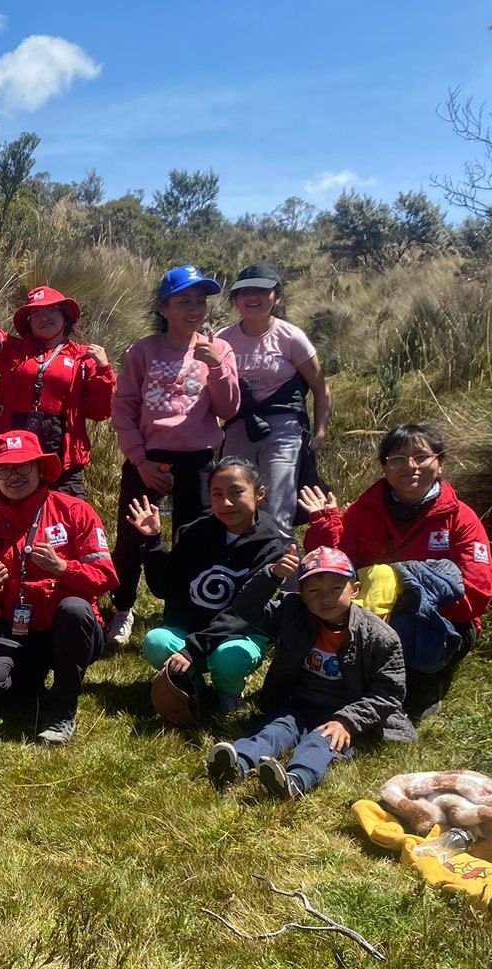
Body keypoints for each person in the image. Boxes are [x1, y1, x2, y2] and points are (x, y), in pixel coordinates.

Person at [301, 421, 492, 719]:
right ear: (385, 467)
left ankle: (425, 682)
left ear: (439, 464)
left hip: (442, 621)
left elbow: (476, 594)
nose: (410, 466)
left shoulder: (460, 519)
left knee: (394, 590)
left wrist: (412, 597)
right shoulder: (364, 512)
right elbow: (333, 567)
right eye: (398, 459)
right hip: (374, 617)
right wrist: (324, 524)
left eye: (421, 457)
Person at [208, 546, 414, 801]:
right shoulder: (293, 612)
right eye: (314, 591)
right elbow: (246, 609)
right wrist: (271, 576)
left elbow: (388, 692)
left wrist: (348, 721)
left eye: (336, 588)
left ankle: (295, 781)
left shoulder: (379, 636)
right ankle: (235, 763)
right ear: (302, 595)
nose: (325, 598)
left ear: (355, 590)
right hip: (299, 704)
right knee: (275, 730)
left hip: (344, 712)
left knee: (320, 742)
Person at [107, 265, 241, 647]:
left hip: (198, 461)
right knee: (132, 536)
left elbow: (229, 408)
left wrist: (216, 366)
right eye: (184, 301)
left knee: (194, 538)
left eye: (200, 301)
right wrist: (140, 460)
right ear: (164, 308)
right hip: (149, 458)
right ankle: (123, 607)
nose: (195, 308)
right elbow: (125, 408)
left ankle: (183, 611)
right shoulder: (144, 351)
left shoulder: (219, 348)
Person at [0, 431, 118, 745]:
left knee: (74, 609)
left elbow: (106, 575)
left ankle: (62, 709)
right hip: (18, 629)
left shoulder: (75, 512)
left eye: (23, 467)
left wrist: (63, 568)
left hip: (72, 629)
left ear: (39, 469)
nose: (14, 476)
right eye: (4, 469)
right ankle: (31, 682)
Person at [128, 457, 290, 717]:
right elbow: (163, 588)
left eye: (236, 492)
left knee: (230, 659)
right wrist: (152, 541)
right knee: (155, 641)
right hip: (192, 632)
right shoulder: (194, 532)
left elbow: (243, 611)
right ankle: (192, 683)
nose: (226, 503)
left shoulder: (272, 547)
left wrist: (191, 649)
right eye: (217, 494)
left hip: (239, 634)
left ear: (259, 494)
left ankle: (228, 690)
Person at [0, 273, 115, 499]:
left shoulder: (85, 357)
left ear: (65, 316)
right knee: (15, 512)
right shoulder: (15, 351)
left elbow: (100, 411)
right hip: (16, 445)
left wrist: (103, 370)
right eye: (36, 314)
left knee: (63, 517)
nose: (45, 317)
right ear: (29, 323)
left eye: (52, 311)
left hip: (62, 450)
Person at [217, 265, 334, 535]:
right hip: (238, 426)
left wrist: (320, 433)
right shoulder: (224, 338)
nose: (253, 298)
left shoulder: (291, 337)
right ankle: (236, 567)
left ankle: (281, 568)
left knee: (278, 505)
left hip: (284, 429)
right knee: (235, 500)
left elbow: (320, 387)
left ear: (276, 297)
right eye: (245, 292)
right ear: (236, 300)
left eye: (261, 291)